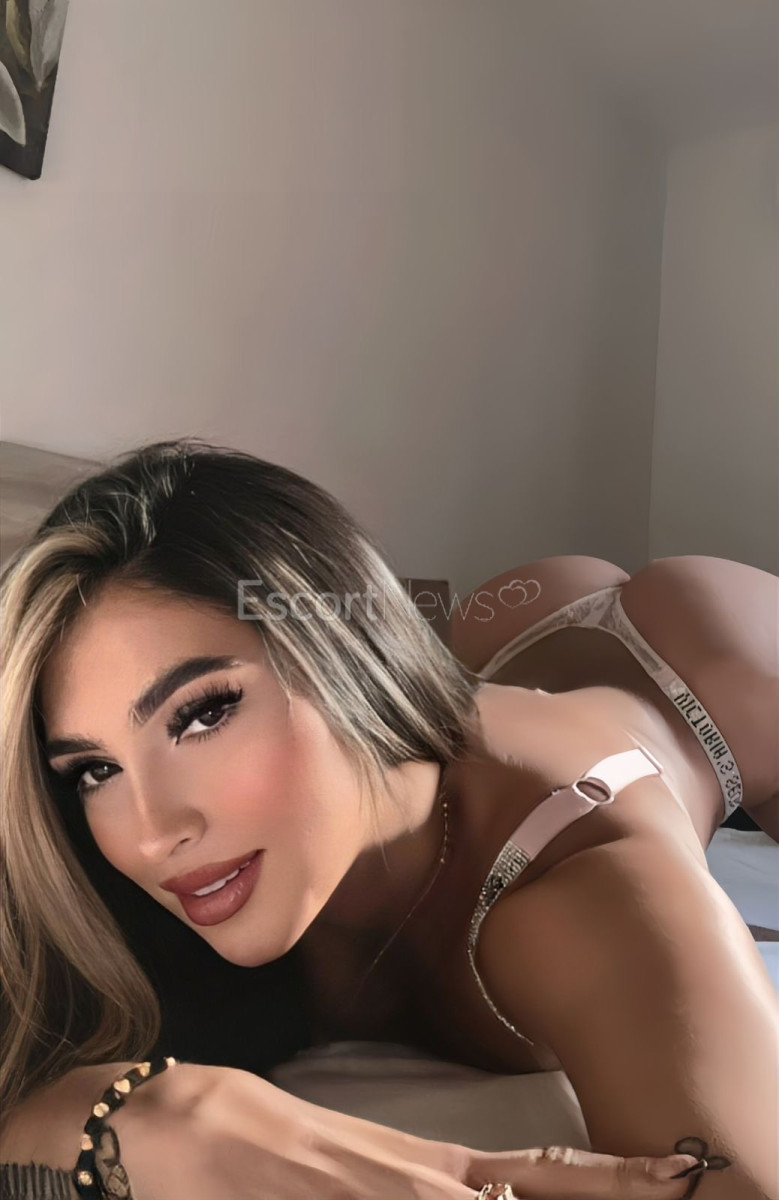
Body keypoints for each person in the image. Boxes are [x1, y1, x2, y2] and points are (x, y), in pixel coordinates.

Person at [1, 437, 776, 1199]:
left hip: (712, 675)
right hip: (496, 638)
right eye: (95, 769)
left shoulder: (580, 894)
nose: (150, 834)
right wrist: (136, 1114)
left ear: (341, 653)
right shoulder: (103, 872)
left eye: (203, 714)